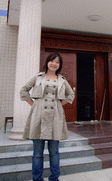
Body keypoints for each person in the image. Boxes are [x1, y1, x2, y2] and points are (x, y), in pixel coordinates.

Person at [20, 52, 75, 181]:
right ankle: (37, 179)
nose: (54, 64)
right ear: (47, 62)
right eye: (52, 61)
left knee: (54, 152)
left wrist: (59, 104)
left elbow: (70, 95)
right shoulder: (38, 77)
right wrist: (34, 105)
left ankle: (54, 178)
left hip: (55, 117)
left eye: (57, 62)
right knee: (38, 154)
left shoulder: (62, 80)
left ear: (59, 65)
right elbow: (23, 90)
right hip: (39, 117)